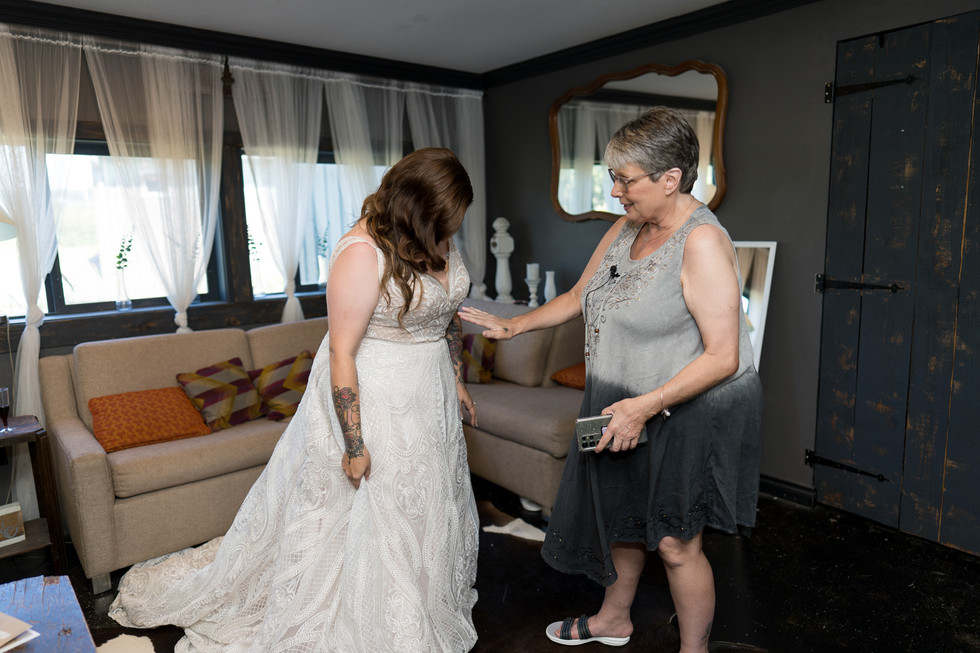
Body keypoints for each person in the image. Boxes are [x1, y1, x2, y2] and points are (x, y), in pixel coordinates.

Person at [108, 147, 481, 652]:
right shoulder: (360, 252)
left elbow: (445, 312)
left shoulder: (439, 236)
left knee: (429, 502)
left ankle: (427, 598)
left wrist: (456, 377)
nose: (450, 231)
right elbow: (343, 355)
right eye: (443, 219)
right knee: (382, 511)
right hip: (378, 398)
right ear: (412, 206)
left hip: (429, 395)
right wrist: (354, 445)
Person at [459, 107, 762, 653]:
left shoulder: (702, 243)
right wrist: (515, 325)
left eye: (625, 179)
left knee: (674, 542)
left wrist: (644, 406)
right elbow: (579, 296)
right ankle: (613, 619)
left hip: (680, 407)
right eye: (612, 177)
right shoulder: (628, 227)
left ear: (671, 180)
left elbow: (722, 357)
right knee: (621, 519)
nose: (615, 191)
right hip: (618, 399)